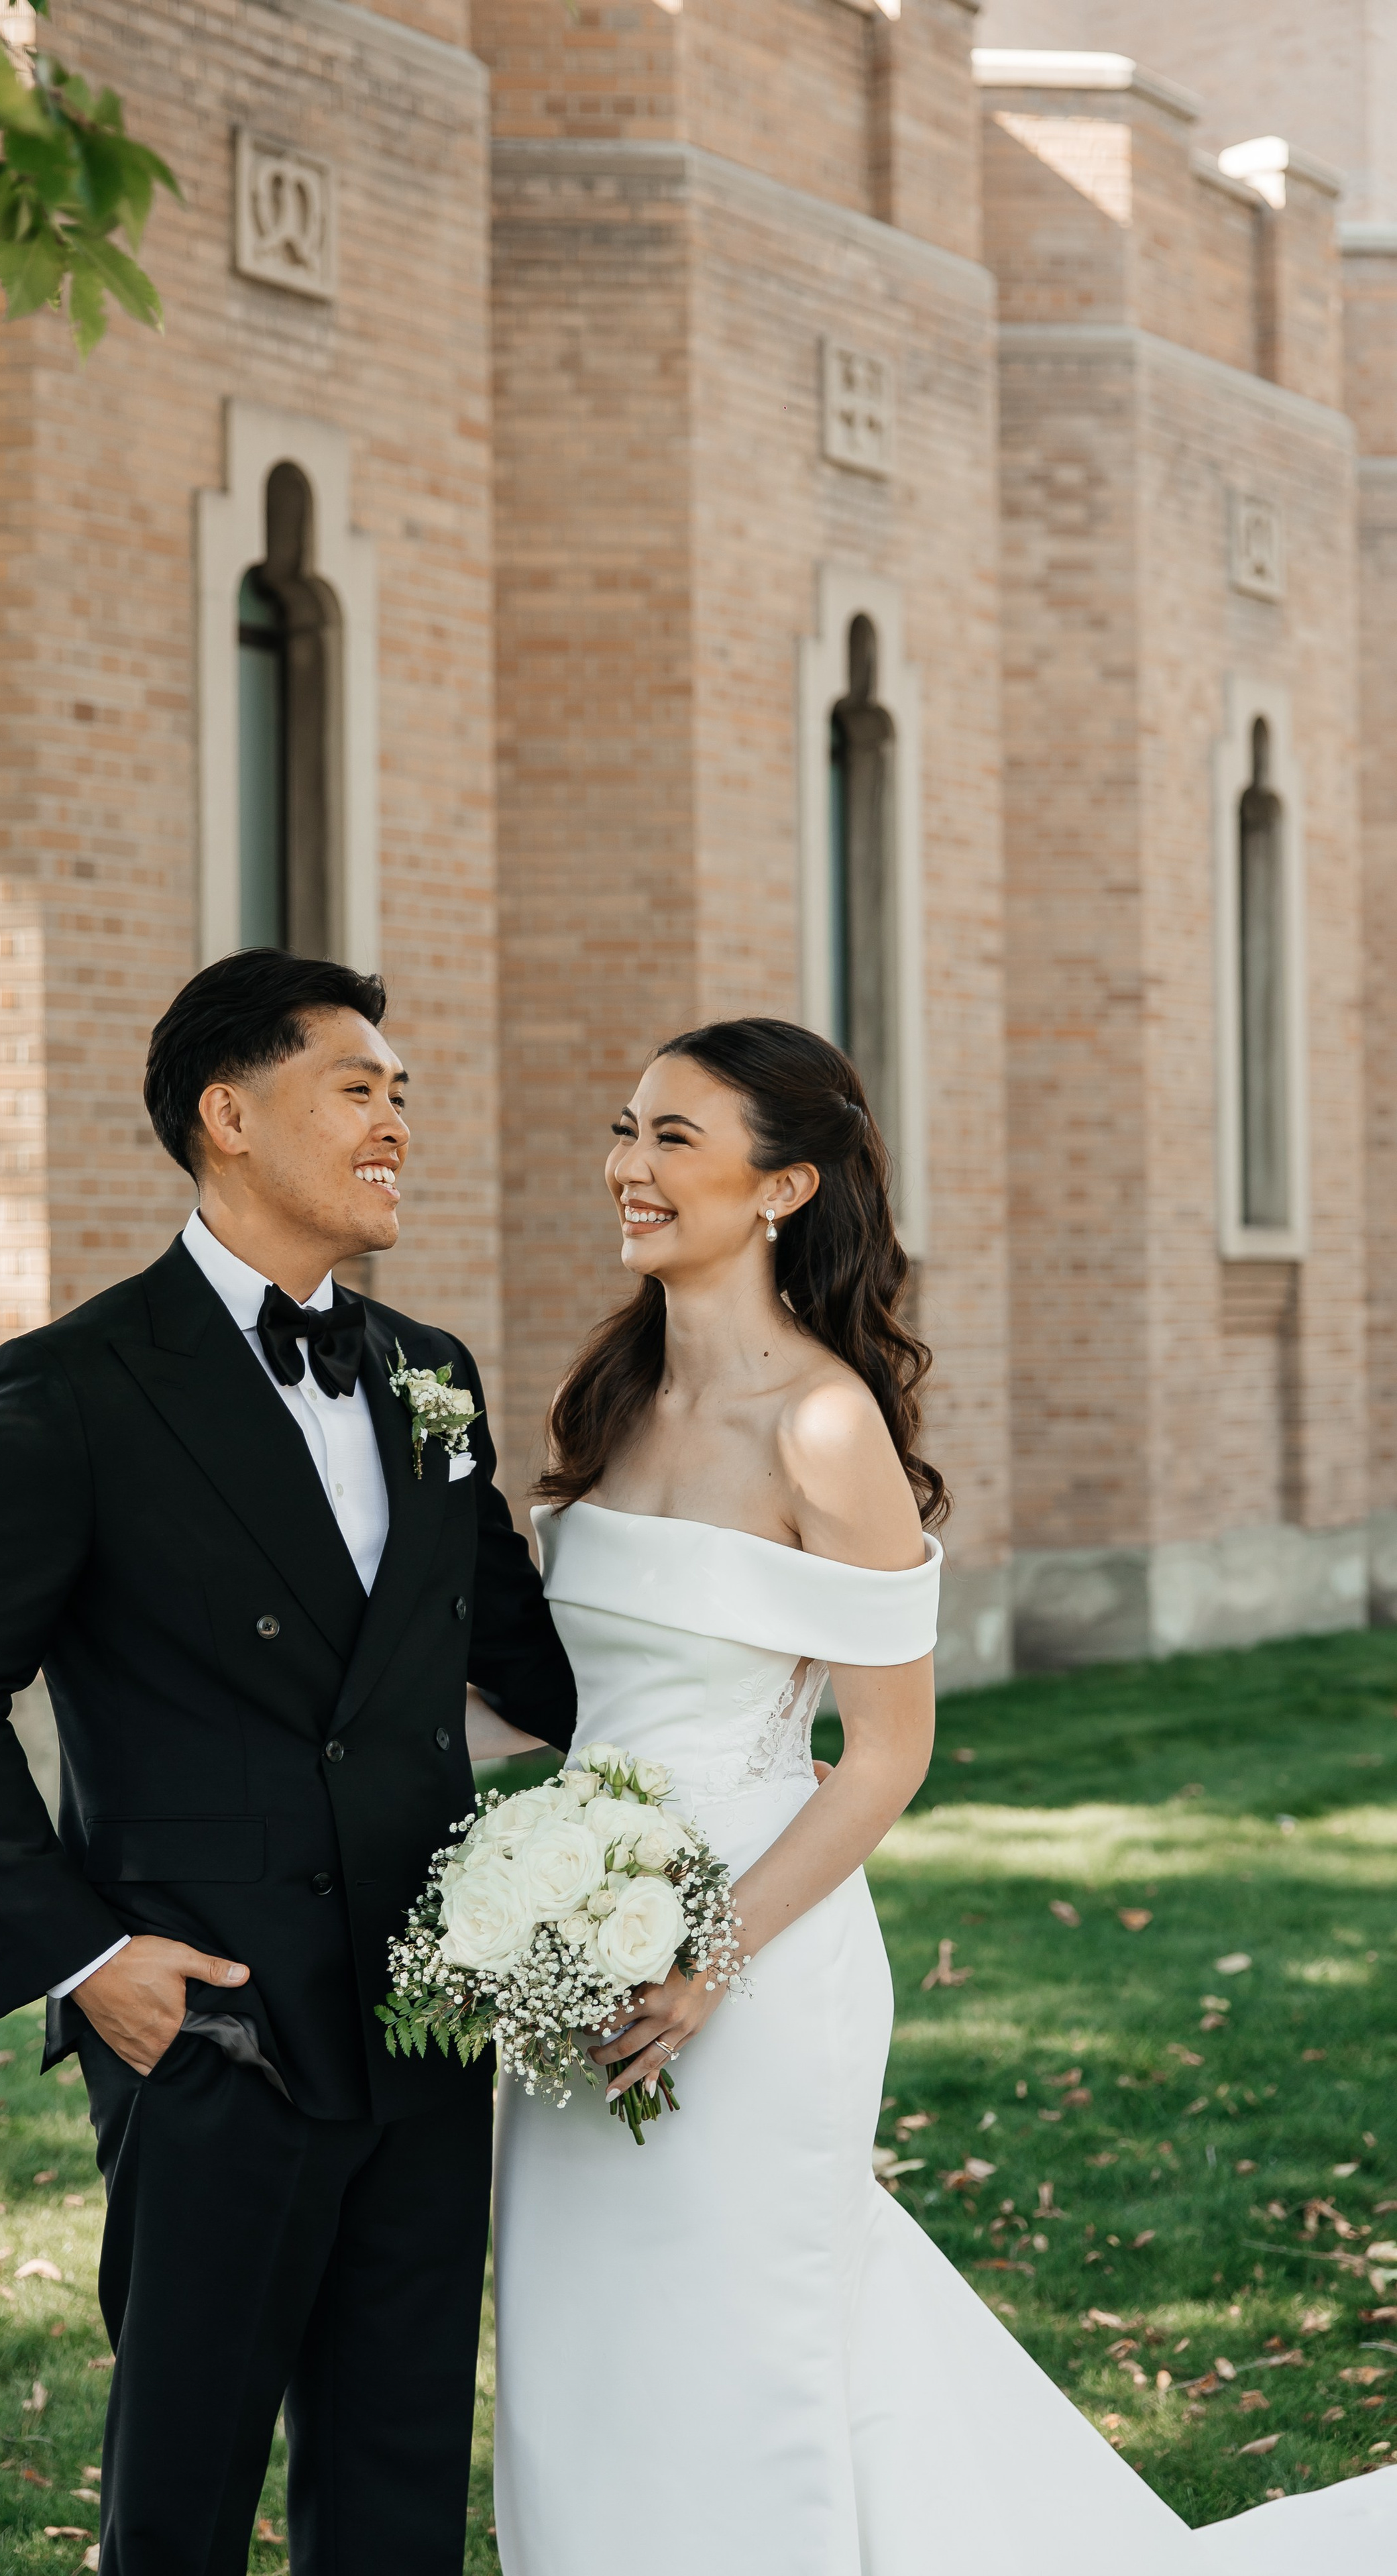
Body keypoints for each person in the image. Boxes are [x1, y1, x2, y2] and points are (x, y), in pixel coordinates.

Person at [490, 1014, 1395, 2576]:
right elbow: (568, 1705)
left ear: (781, 1190)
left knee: (746, 2338)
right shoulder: (609, 1397)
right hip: (571, 1948)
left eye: (671, 1140)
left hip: (755, 1965)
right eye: (625, 1131)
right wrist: (525, 1901)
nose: (625, 1169)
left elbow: (887, 1756)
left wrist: (707, 1957)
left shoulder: (824, 1424)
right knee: (585, 2344)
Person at [0, 949, 574, 2576]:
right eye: (359, 1086)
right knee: (180, 2502)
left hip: (421, 2012)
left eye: (401, 1092)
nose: (398, 1117)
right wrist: (88, 1959)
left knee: (396, 2488)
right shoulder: (71, 1390)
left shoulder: (431, 1376)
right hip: (213, 2029)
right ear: (227, 1115)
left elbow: (530, 1668)